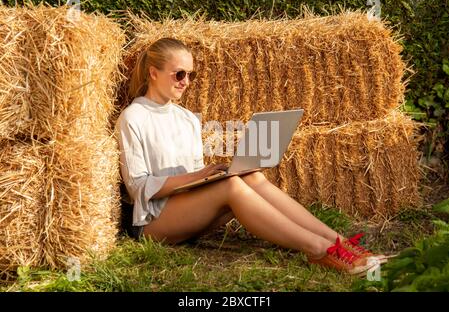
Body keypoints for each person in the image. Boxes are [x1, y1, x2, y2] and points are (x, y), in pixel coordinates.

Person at [115, 37, 388, 276]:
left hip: (188, 210)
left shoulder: (187, 119)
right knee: (231, 186)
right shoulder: (133, 118)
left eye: (191, 75)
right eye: (179, 74)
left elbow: (194, 179)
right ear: (153, 73)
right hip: (152, 222)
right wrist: (200, 176)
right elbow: (137, 187)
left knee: (250, 175)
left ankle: (343, 244)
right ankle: (320, 250)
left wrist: (212, 174)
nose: (186, 82)